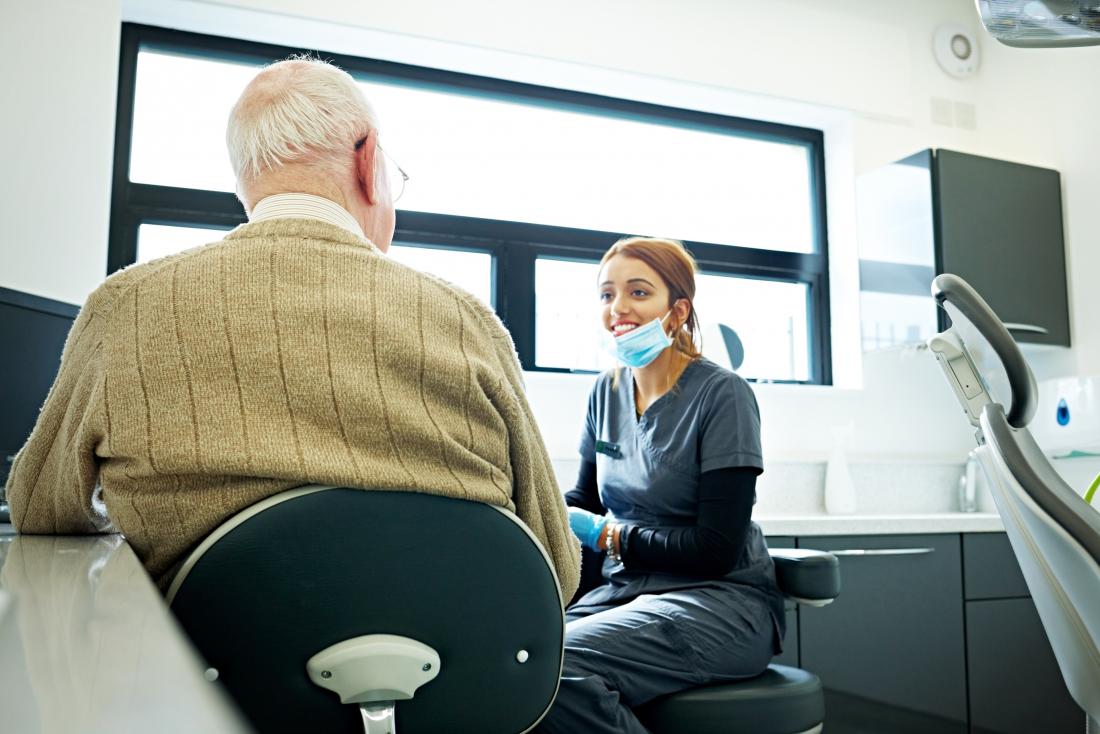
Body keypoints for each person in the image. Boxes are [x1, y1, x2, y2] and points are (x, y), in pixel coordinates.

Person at [4, 57, 580, 602]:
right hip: (455, 692)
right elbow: (557, 563)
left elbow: (39, 509)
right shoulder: (467, 322)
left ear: (244, 182)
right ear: (367, 159)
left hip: (200, 693)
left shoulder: (124, 308)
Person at [536, 237, 785, 733]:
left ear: (677, 311)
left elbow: (714, 548)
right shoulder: (604, 393)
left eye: (638, 292)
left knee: (553, 671)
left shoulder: (721, 395)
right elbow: (582, 502)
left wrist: (611, 537)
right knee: (507, 659)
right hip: (625, 593)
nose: (618, 308)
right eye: (607, 295)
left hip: (717, 602)